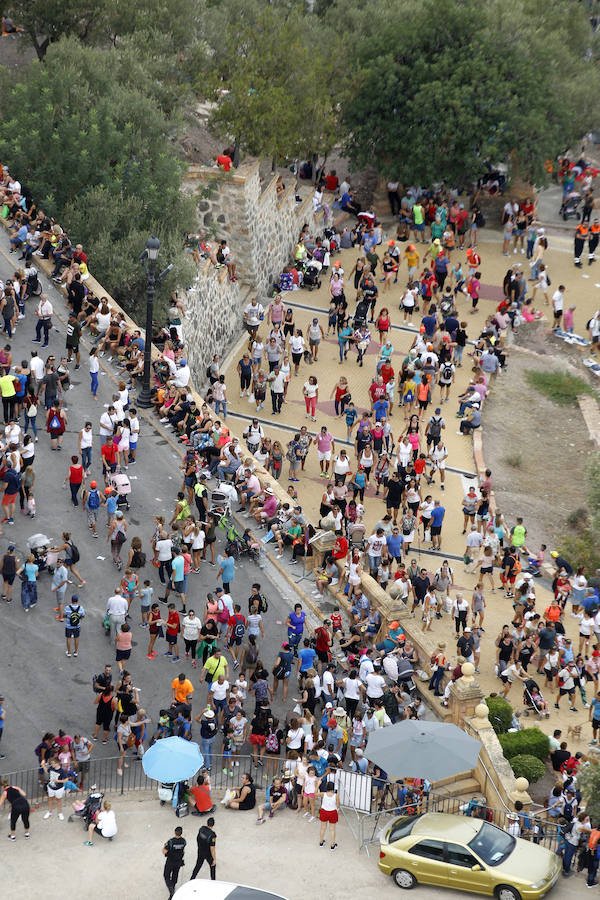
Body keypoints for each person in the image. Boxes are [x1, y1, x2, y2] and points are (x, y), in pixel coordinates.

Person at [163, 826, 186, 898]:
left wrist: (165, 845)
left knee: (166, 875)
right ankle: (172, 889)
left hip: (170, 861)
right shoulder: (184, 841)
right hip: (178, 861)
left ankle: (171, 890)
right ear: (181, 833)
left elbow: (164, 851)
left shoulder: (171, 841)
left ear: (175, 832)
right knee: (175, 875)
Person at [190, 816, 217, 881]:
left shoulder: (201, 829)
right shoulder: (212, 835)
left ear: (207, 823)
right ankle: (213, 881)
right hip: (208, 854)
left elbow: (197, 838)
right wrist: (214, 859)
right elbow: (212, 849)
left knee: (198, 865)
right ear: (213, 825)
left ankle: (192, 879)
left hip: (200, 851)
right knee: (213, 866)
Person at [318, 781, 340, 850]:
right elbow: (338, 805)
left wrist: (318, 785)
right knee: (332, 829)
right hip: (332, 812)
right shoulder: (336, 795)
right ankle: (332, 845)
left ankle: (321, 842)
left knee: (322, 828)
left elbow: (315, 793)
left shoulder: (323, 794)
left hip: (324, 811)